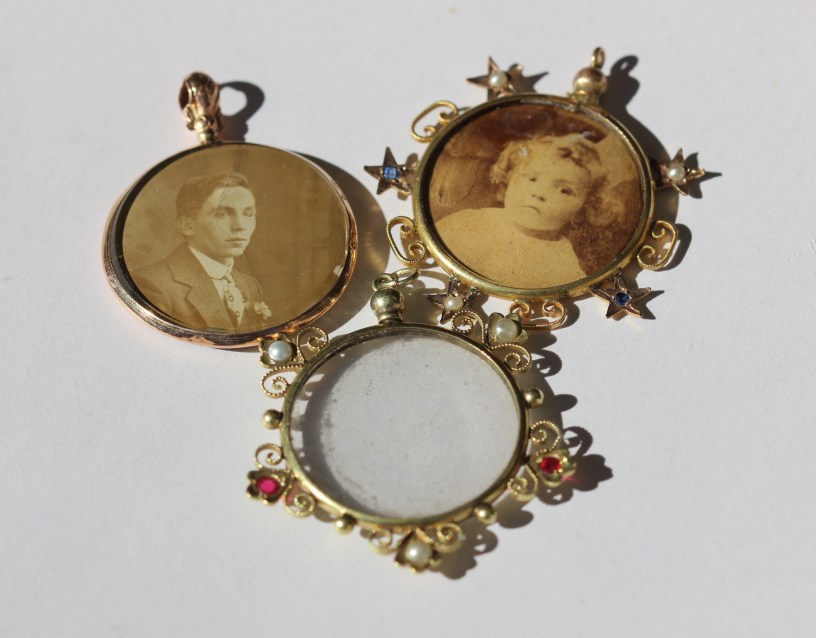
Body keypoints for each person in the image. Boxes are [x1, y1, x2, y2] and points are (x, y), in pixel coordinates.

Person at [433, 132, 640, 289]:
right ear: (510, 177)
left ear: (583, 208)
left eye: (564, 190)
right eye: (532, 178)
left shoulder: (564, 261)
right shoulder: (468, 222)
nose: (539, 194)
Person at [131, 173, 272, 331]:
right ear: (187, 226)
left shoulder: (250, 284)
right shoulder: (153, 284)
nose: (240, 226)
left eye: (248, 214)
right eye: (222, 214)